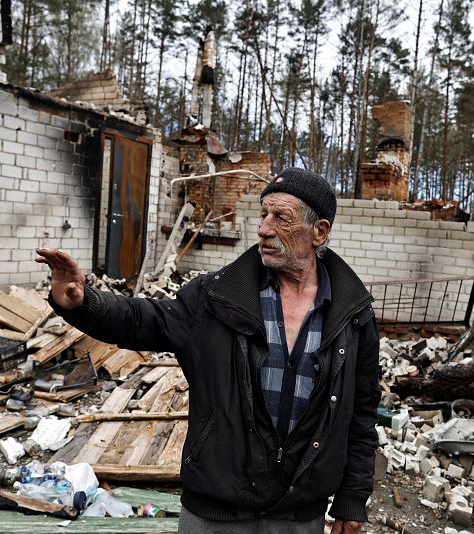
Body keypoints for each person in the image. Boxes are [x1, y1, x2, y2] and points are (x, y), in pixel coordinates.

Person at [36, 167, 380, 534]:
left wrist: (351, 498)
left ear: (319, 232)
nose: (264, 228)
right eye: (263, 215)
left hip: (297, 516)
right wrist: (82, 302)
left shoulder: (351, 316)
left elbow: (360, 414)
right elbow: (143, 320)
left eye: (281, 217)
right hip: (214, 513)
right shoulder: (217, 298)